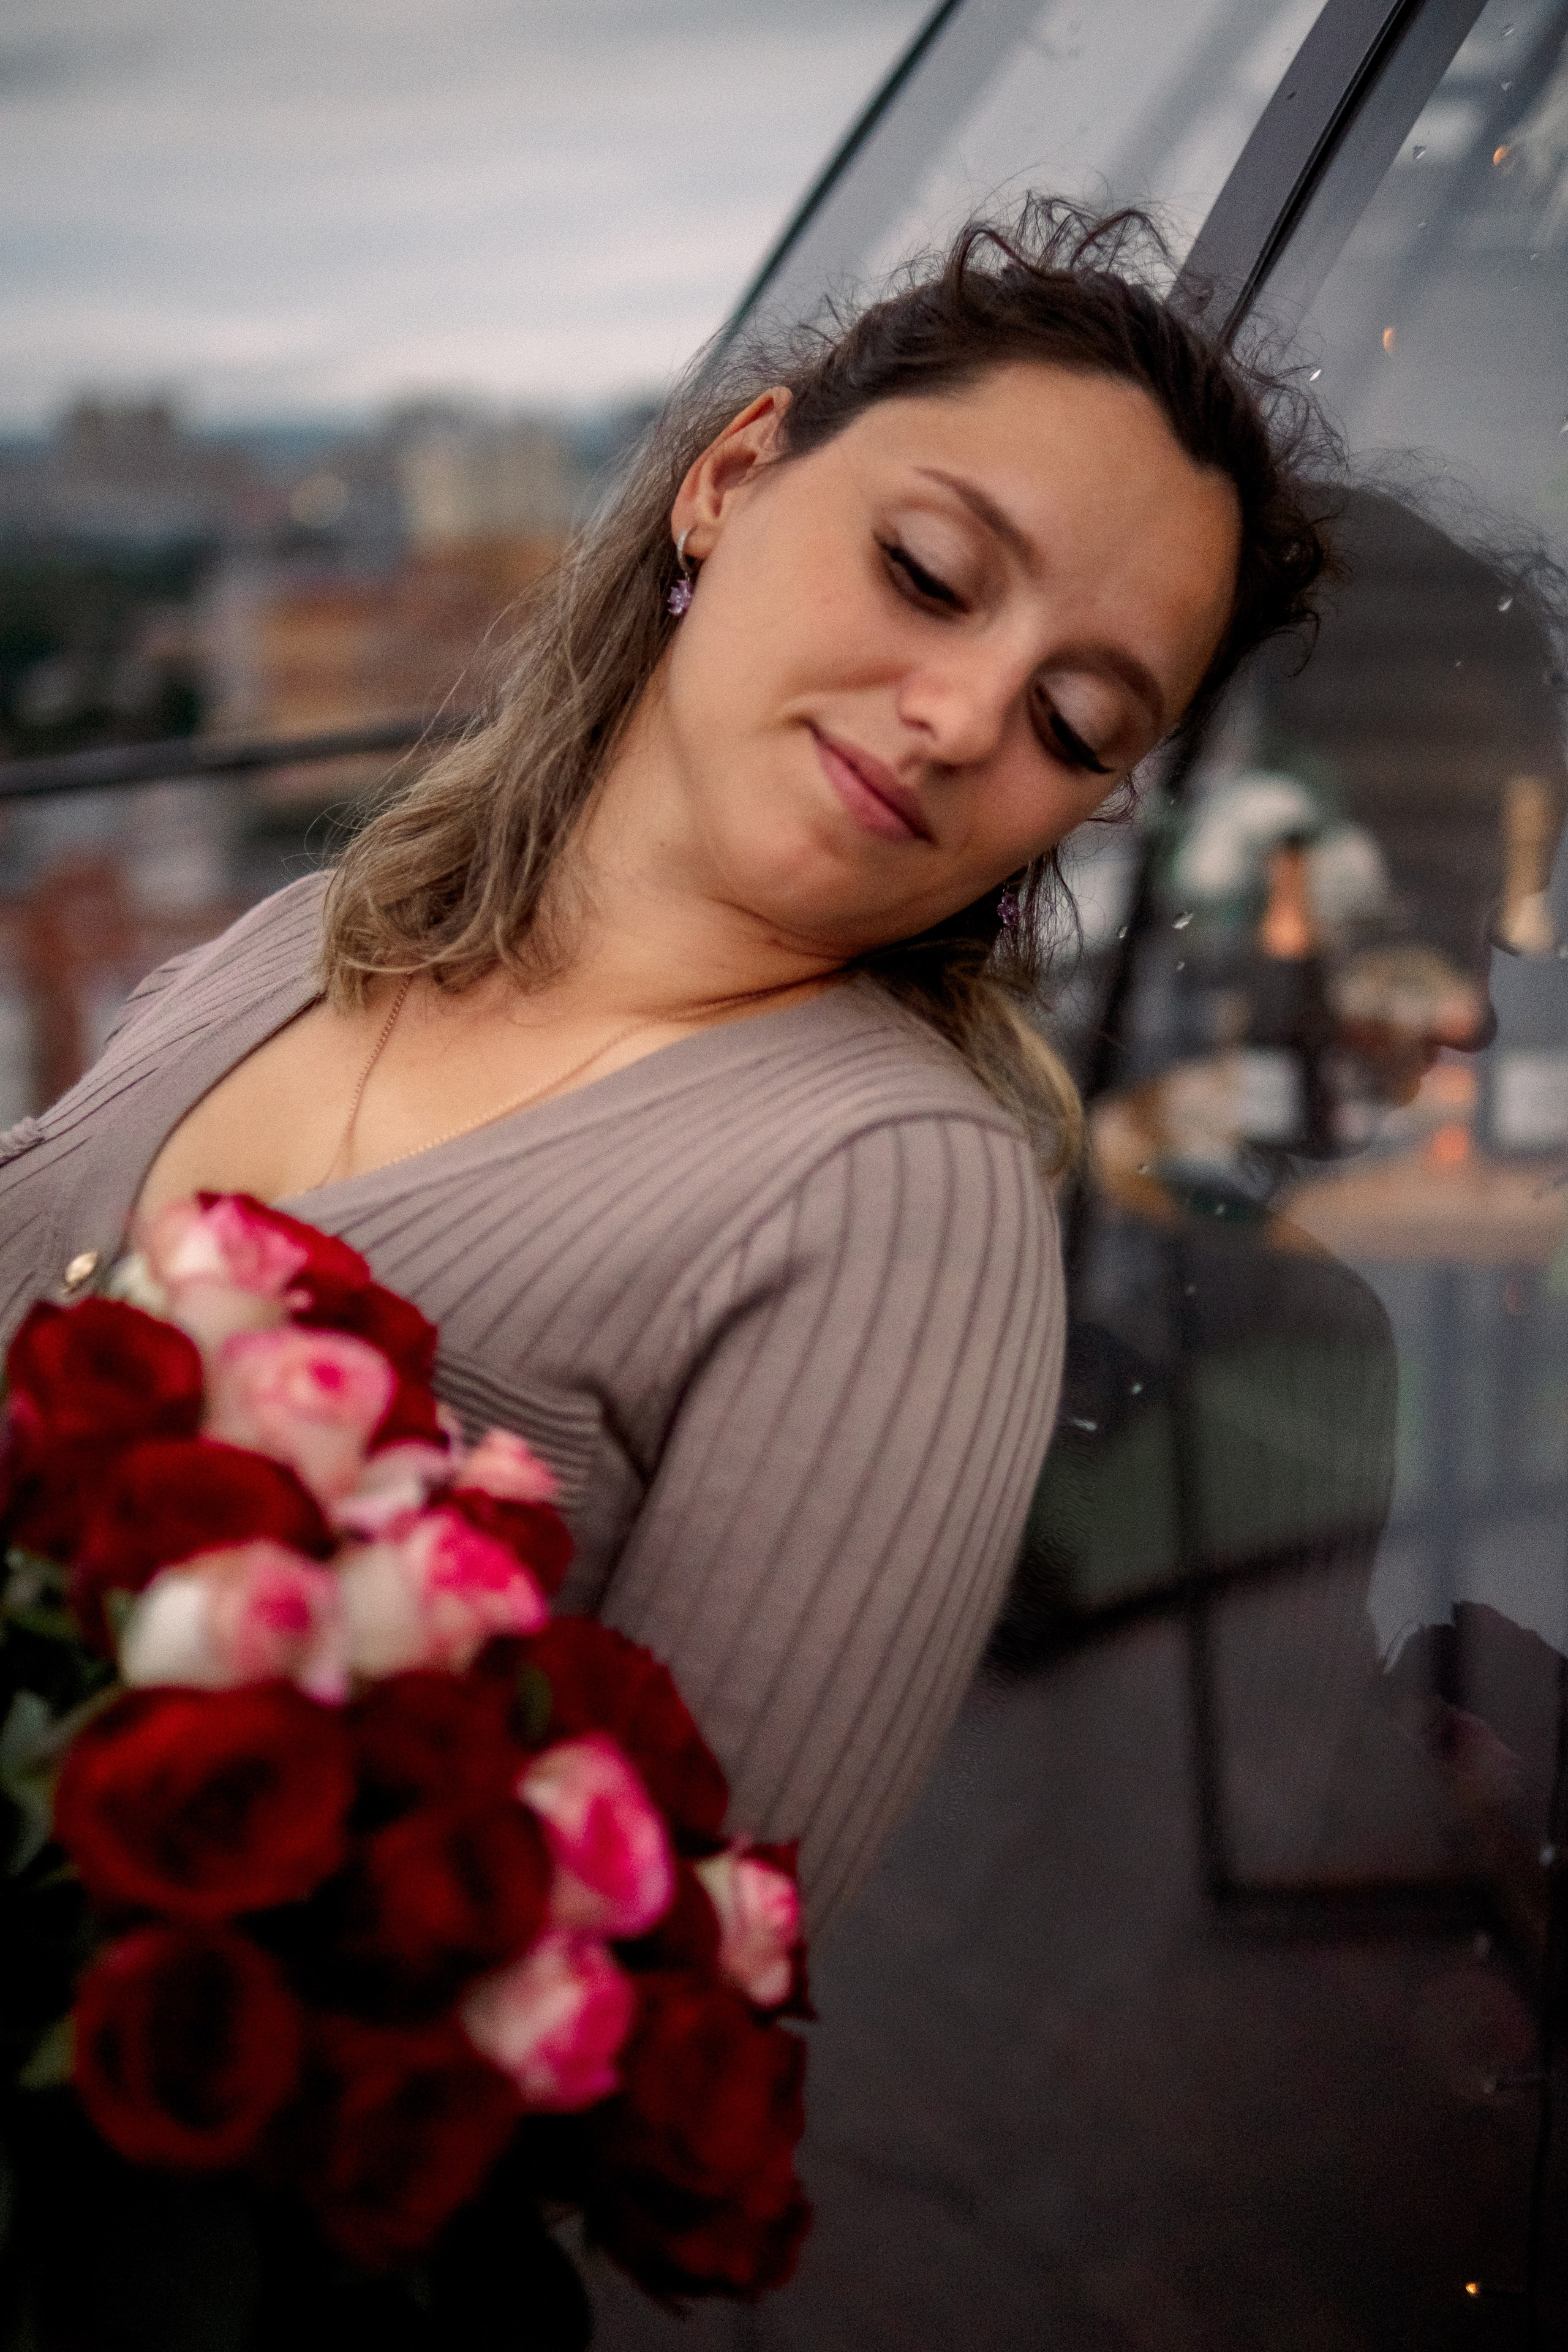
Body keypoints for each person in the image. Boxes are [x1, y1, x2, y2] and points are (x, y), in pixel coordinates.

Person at [0, 205, 1328, 1928]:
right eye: (929, 574)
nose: (960, 719)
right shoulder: (299, 939)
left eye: (1075, 725)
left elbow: (659, 1977)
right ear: (734, 474)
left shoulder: (894, 1201)